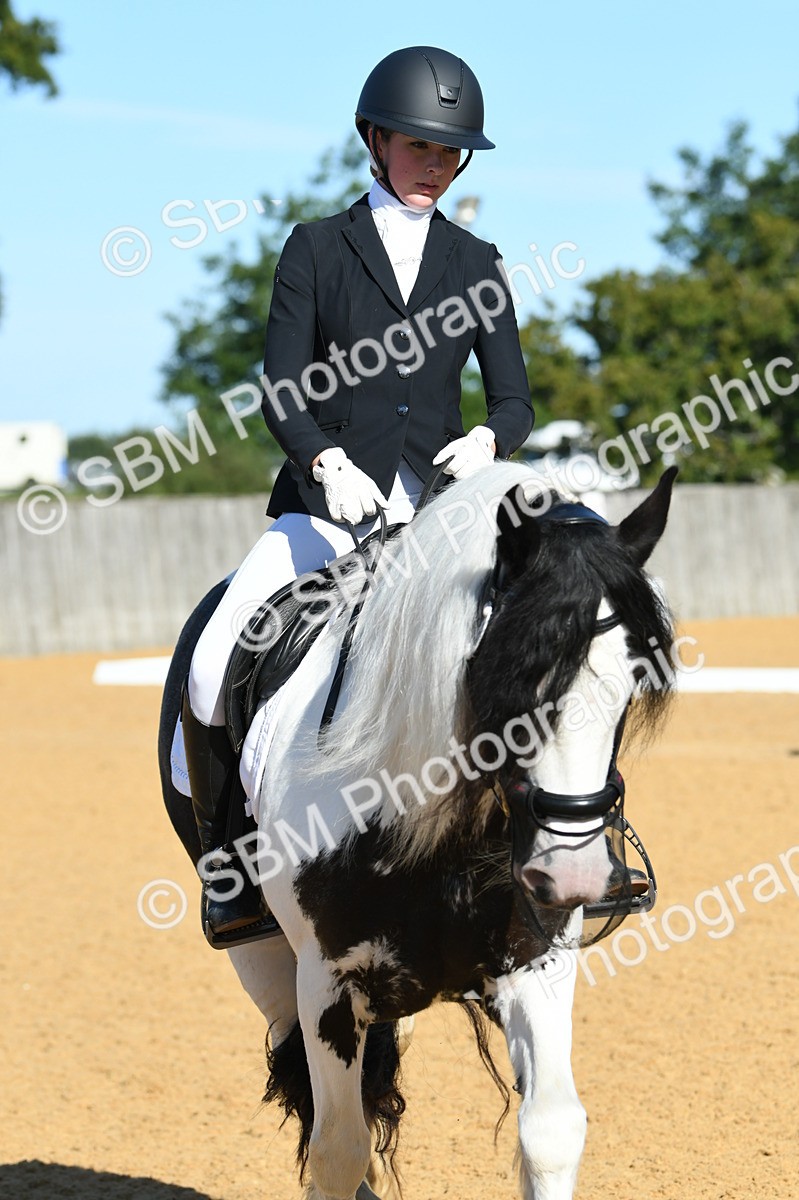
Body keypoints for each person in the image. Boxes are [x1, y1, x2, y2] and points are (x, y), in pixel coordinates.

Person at [179, 45, 534, 948]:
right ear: (373, 140)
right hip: (322, 509)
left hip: (437, 515)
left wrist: (489, 439)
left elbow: (513, 395)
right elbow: (281, 386)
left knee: (534, 653)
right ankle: (232, 866)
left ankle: (534, 854)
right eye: (420, 147)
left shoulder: (477, 260)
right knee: (218, 655)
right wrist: (324, 463)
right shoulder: (316, 248)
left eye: (451, 154)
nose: (436, 167)